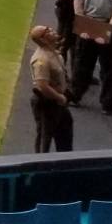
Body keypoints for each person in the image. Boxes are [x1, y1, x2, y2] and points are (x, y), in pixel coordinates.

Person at [29, 24, 73, 153]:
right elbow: (42, 85)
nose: (52, 30)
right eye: (47, 31)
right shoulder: (41, 59)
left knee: (65, 129)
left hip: (59, 102)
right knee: (45, 138)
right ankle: (40, 165)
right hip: (47, 104)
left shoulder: (54, 52)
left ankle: (65, 160)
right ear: (43, 39)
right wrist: (59, 97)